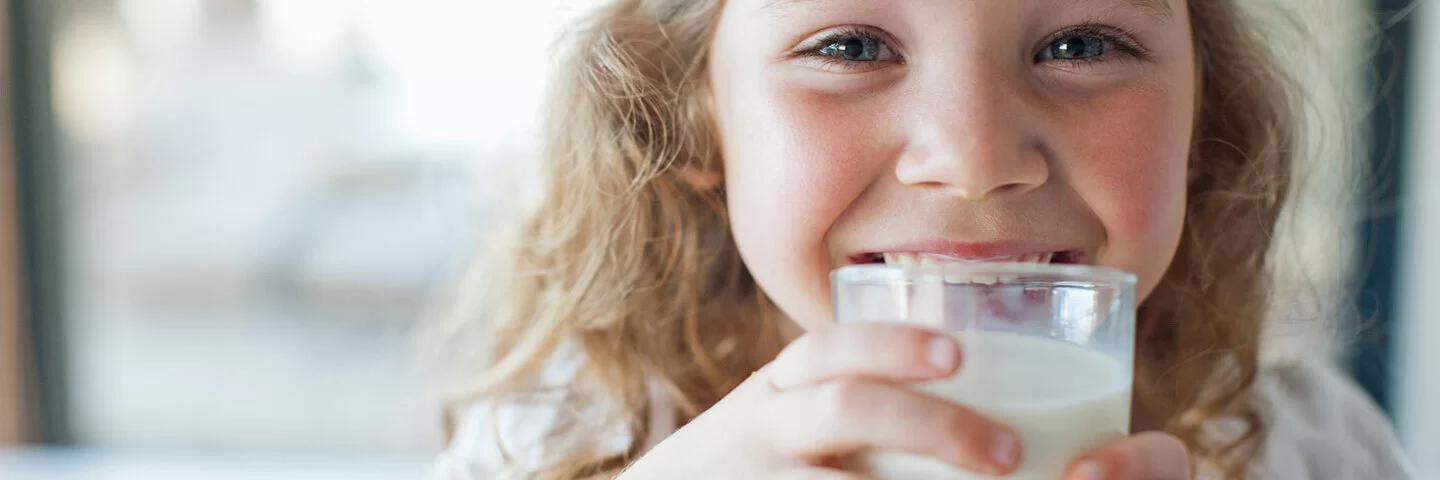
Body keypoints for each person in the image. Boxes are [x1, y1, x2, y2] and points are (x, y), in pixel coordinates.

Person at [431, 0, 1416, 478]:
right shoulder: (556, 445)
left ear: (1204, 122)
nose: (975, 156)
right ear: (688, 124)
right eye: (850, 47)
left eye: (1081, 44)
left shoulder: (1313, 446)